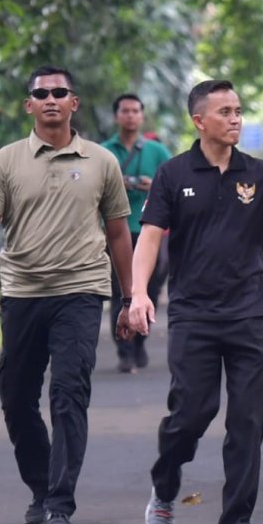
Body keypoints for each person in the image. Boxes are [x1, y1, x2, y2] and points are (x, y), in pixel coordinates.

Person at [129, 79, 263, 524]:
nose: (236, 118)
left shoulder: (259, 174)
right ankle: (165, 485)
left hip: (249, 317)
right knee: (192, 414)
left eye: (239, 110)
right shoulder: (173, 173)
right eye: (225, 111)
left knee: (247, 423)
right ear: (199, 121)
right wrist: (138, 293)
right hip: (194, 316)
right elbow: (151, 236)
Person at [0, 65, 135, 524]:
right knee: (17, 397)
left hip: (81, 291)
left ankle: (60, 503)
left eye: (59, 92)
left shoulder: (102, 161)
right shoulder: (5, 161)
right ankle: (41, 488)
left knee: (68, 395)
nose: (50, 99)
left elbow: (119, 233)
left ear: (74, 103)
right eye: (40, 93)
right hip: (22, 292)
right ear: (29, 105)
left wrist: (128, 297)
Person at [101, 93, 171, 373]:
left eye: (135, 111)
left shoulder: (156, 151)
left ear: (141, 116)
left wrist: (151, 185)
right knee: (120, 292)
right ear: (117, 116)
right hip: (116, 231)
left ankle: (140, 342)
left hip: (149, 232)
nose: (130, 115)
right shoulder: (104, 151)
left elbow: (173, 185)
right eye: (125, 111)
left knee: (149, 290)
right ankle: (124, 352)